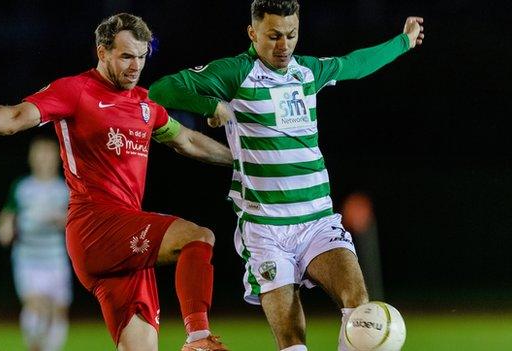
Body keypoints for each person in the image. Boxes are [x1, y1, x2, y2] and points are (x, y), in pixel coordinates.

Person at [0, 13, 232, 351]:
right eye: (126, 56)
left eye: (141, 56)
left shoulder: (146, 103)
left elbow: (187, 141)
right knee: (198, 237)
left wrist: (245, 161)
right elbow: (13, 118)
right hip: (96, 226)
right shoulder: (75, 91)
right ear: (102, 52)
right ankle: (199, 338)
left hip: (125, 236)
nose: (135, 65)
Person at [148, 1, 425, 350]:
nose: (284, 46)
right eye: (274, 36)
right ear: (253, 33)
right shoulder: (235, 73)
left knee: (360, 306)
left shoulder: (306, 72)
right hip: (266, 230)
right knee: (292, 340)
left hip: (317, 222)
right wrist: (212, 105)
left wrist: (402, 41)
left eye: (291, 35)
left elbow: (354, 64)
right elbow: (161, 90)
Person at [0, 136, 71, 351]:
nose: (43, 158)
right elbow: (9, 214)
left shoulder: (65, 187)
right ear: (31, 157)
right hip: (28, 256)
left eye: (47, 153)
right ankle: (34, 346)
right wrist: (5, 229)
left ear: (57, 157)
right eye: (38, 153)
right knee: (36, 306)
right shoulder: (22, 187)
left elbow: (77, 221)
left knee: (58, 311)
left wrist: (61, 220)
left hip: (56, 257)